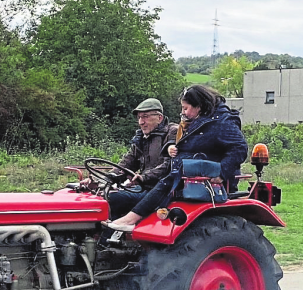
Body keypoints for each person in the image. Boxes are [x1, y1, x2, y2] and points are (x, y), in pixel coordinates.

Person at [105, 85, 247, 232]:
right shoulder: (200, 121)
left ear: (199, 106)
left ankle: (130, 220)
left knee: (164, 184)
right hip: (186, 172)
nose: (182, 112)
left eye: (185, 108)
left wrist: (222, 173)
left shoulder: (222, 122)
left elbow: (239, 148)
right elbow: (186, 144)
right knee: (165, 183)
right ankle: (127, 222)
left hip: (205, 179)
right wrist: (171, 147)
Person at [94, 98, 180, 219]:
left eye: (145, 117)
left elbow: (169, 165)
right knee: (100, 195)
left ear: (159, 118)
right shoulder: (142, 138)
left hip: (160, 191)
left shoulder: (172, 132)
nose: (141, 122)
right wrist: (107, 177)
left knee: (112, 198)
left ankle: (110, 234)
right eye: (139, 118)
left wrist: (143, 178)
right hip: (143, 187)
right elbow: (128, 161)